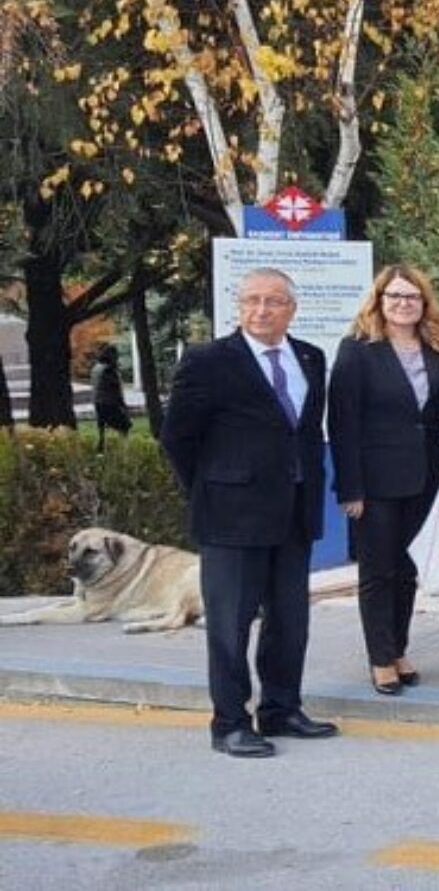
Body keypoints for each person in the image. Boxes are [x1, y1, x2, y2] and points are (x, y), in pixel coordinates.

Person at [160, 267, 334, 757]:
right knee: (230, 625)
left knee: (289, 620)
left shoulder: (310, 358)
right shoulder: (209, 361)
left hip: (294, 512)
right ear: (238, 307)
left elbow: (301, 432)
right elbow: (178, 437)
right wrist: (212, 487)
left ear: (291, 309)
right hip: (231, 516)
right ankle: (230, 722)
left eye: (273, 301)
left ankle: (280, 709)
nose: (262, 309)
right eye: (252, 300)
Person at [328, 265, 439, 696]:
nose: (403, 304)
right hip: (375, 482)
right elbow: (342, 422)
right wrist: (350, 488)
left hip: (426, 477)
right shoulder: (358, 350)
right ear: (379, 301)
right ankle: (380, 658)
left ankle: (398, 649)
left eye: (411, 297)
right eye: (394, 296)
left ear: (423, 303)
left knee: (408, 570)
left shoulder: (435, 348)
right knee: (378, 572)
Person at [90, 343, 133, 450]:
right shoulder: (109, 370)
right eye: (116, 355)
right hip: (109, 403)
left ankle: (102, 445)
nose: (117, 357)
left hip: (98, 402)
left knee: (102, 426)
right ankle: (123, 449)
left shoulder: (96, 368)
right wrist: (123, 405)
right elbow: (115, 389)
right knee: (125, 425)